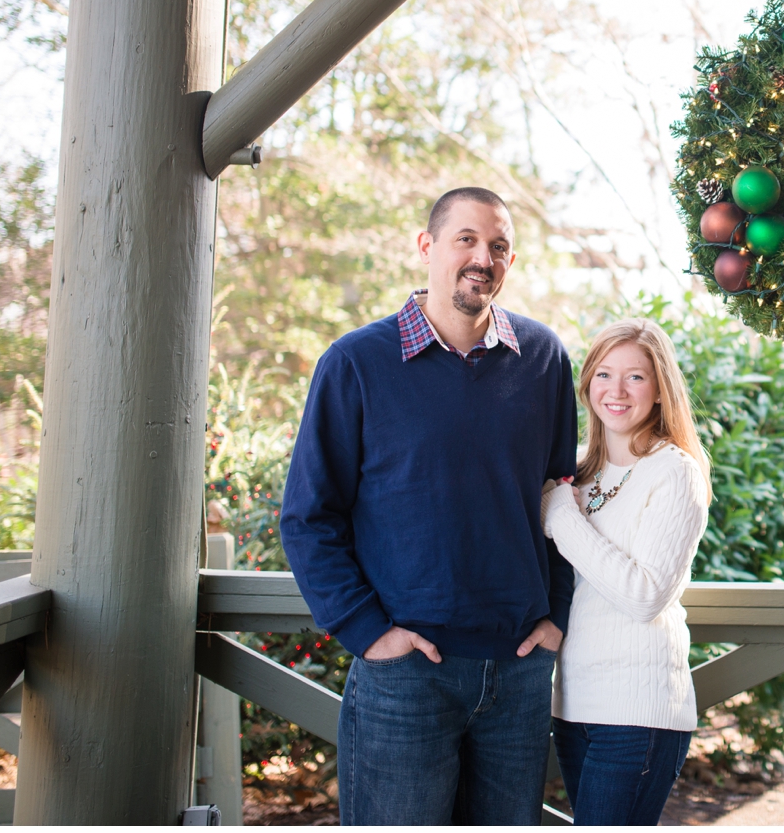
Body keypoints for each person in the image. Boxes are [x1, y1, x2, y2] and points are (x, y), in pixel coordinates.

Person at [280, 187, 577, 825]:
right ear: (426, 247)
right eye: (465, 239)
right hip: (405, 674)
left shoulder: (544, 359)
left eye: (498, 246)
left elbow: (563, 499)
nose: (482, 258)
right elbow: (309, 517)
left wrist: (558, 612)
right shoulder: (356, 362)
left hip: (520, 669)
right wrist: (368, 632)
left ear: (511, 262)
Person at [542, 319, 711, 826]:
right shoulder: (577, 475)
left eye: (635, 377)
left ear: (660, 390)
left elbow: (644, 596)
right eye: (604, 374)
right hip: (572, 703)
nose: (616, 391)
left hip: (639, 709)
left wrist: (561, 518)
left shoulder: (675, 470)